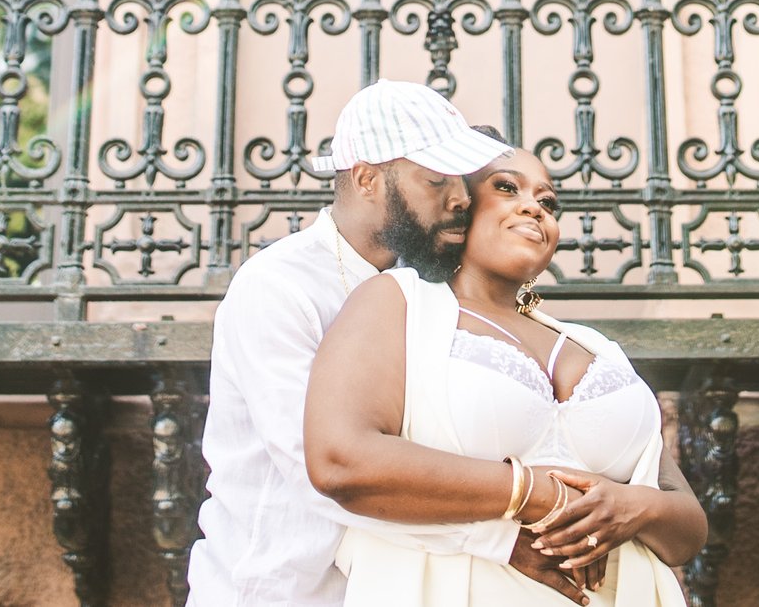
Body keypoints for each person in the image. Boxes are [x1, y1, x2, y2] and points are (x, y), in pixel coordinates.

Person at [187, 83, 593, 607]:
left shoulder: (422, 285)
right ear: (367, 179)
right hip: (275, 588)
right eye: (435, 181)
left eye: (460, 181)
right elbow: (321, 469)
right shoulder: (277, 287)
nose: (459, 199)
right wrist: (498, 538)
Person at [302, 133, 706, 606]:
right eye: (508, 188)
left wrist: (634, 507)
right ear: (460, 206)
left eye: (548, 201)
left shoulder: (596, 348)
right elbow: (339, 461)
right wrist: (531, 491)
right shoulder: (399, 302)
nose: (535, 208)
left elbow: (687, 531)